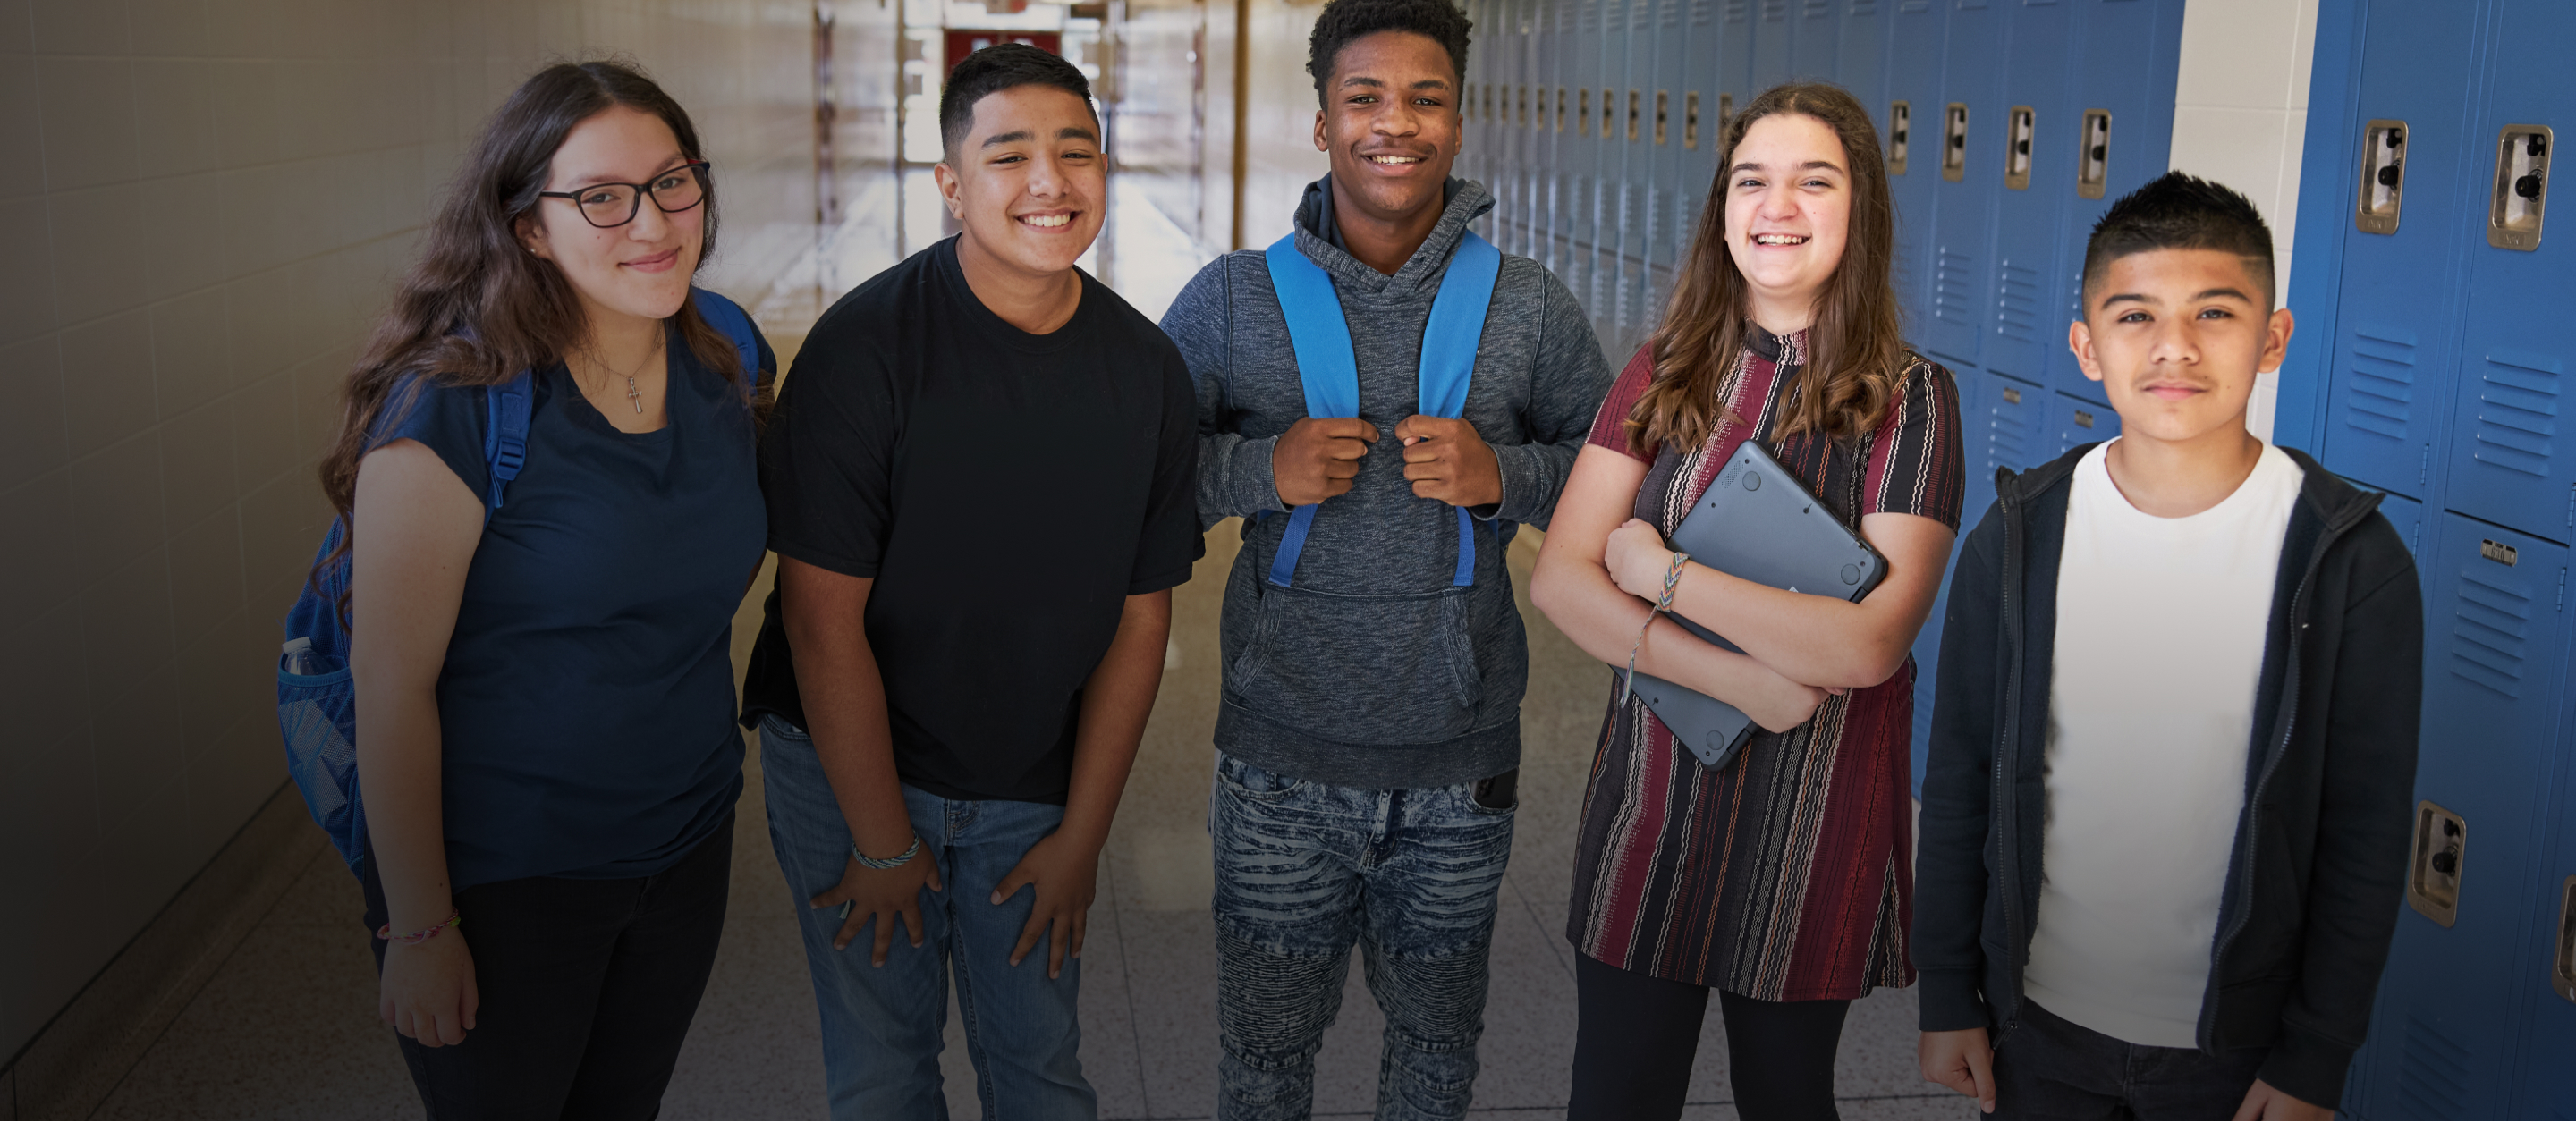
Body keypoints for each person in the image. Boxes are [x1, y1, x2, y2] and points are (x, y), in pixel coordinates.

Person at [1160, 0, 1611, 1114]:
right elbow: (1141, 483)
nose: (1393, 124)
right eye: (1363, 98)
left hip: (1460, 770)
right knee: (1264, 1058)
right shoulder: (1230, 300)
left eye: (1425, 98)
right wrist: (1258, 470)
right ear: (1321, 123)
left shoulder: (1528, 307)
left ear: (1459, 122)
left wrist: (1505, 477)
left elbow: (1615, 480)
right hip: (1278, 763)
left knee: (1436, 1049)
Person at [738, 43, 1199, 1120]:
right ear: (952, 186)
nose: (1050, 182)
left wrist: (1083, 837)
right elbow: (819, 621)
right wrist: (882, 839)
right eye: (1009, 155)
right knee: (882, 1070)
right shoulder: (865, 350)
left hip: (1029, 779)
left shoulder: (1145, 373)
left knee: (1040, 1067)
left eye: (1076, 152)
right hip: (848, 770)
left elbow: (1141, 622)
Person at [1911, 173, 2422, 1121]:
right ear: (2087, 347)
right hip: (2041, 1026)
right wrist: (1947, 990)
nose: (2175, 347)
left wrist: (2316, 1054)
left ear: (2273, 339)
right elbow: (1960, 776)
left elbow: (2365, 832)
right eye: (2135, 315)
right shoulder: (2022, 535)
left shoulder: (2348, 558)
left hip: (2235, 1048)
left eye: (2216, 313)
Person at [325, 62, 775, 1117]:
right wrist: (422, 927)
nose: (652, 222)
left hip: (687, 839)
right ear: (529, 227)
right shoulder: (455, 407)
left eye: (673, 181)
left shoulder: (725, 351)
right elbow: (390, 689)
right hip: (505, 875)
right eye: (600, 197)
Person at [1526, 82, 1965, 1120]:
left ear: (1860, 214)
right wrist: (1738, 675)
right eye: (1752, 180)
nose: (1779, 205)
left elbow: (1868, 644)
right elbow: (1558, 581)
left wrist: (1659, 574)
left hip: (1813, 825)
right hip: (1652, 799)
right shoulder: (1663, 370)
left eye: (1815, 180)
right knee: (1617, 1095)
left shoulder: (1912, 398)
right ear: (1723, 208)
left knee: (1785, 1096)